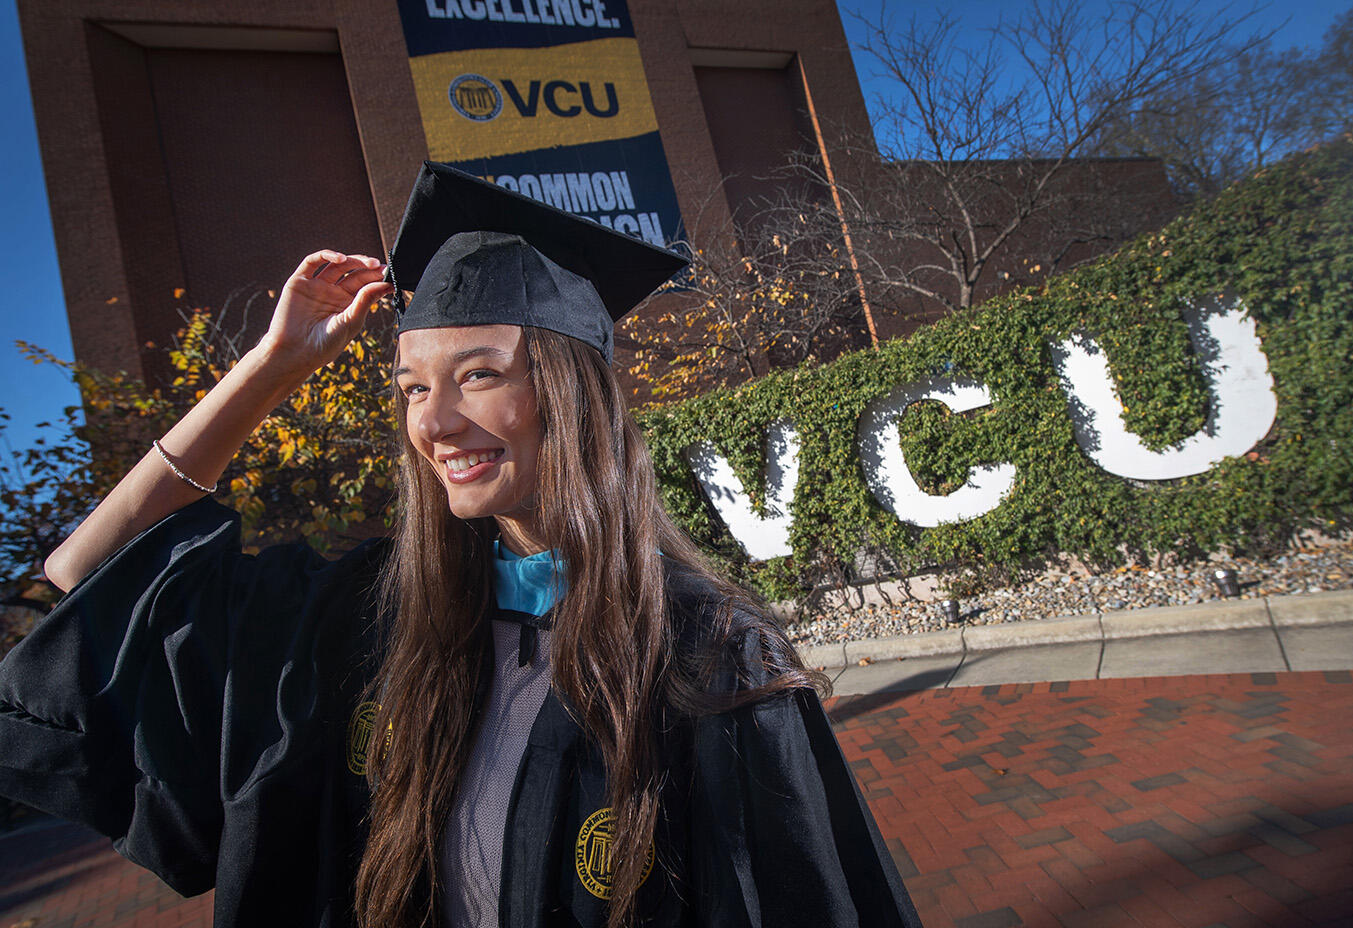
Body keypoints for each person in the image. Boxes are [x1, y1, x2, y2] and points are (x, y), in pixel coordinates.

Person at [0, 164, 922, 928]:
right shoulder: (361, 616)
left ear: (568, 395)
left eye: (478, 375)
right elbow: (92, 575)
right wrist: (269, 369)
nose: (435, 421)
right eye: (409, 388)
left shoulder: (709, 654)